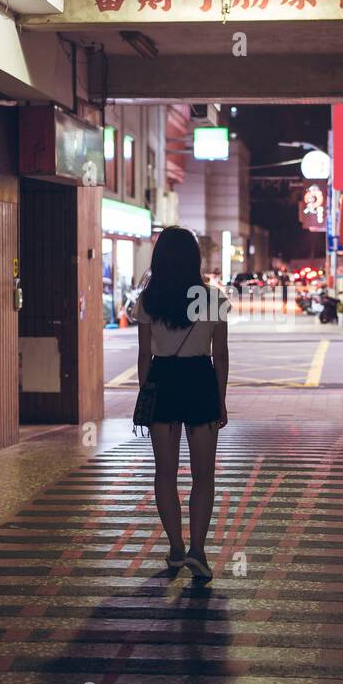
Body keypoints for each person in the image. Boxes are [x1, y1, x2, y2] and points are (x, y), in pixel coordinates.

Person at [131, 226, 230, 580]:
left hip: (163, 381)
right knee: (204, 475)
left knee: (165, 473)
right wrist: (220, 401)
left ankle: (175, 547)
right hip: (200, 381)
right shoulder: (213, 298)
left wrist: (148, 394)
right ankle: (198, 552)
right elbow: (221, 355)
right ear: (194, 259)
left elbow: (144, 356)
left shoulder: (149, 300)